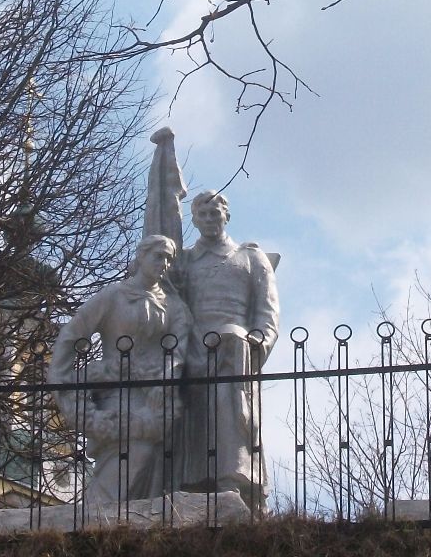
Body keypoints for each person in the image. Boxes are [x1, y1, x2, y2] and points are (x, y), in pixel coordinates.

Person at [49, 234, 191, 505]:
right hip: (114, 395)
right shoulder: (114, 295)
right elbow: (73, 333)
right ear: (141, 257)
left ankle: (118, 525)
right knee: (125, 461)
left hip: (153, 399)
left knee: (149, 465)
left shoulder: (174, 307)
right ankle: (98, 520)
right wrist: (61, 379)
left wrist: (166, 378)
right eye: (158, 256)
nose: (164, 263)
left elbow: (180, 350)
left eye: (169, 259)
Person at [171, 190, 280, 510]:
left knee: (229, 404)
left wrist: (256, 343)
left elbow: (267, 313)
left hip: (236, 351)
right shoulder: (185, 261)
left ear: (226, 216)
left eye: (214, 214)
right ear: (193, 220)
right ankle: (191, 482)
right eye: (202, 216)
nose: (209, 221)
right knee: (194, 416)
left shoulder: (250, 258)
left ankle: (233, 477)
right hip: (193, 350)